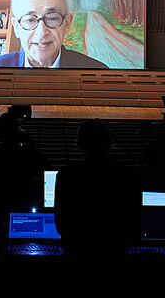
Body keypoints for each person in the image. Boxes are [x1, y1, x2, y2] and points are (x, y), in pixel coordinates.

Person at [54, 119, 140, 290]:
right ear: (108, 142)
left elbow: (61, 226)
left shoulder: (66, 175)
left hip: (76, 258)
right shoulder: (127, 175)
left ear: (79, 144)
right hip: (116, 260)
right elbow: (134, 226)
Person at [0, 0, 108, 68]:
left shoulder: (97, 73)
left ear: (67, 24)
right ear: (17, 27)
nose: (41, 32)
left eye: (52, 18)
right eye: (30, 20)